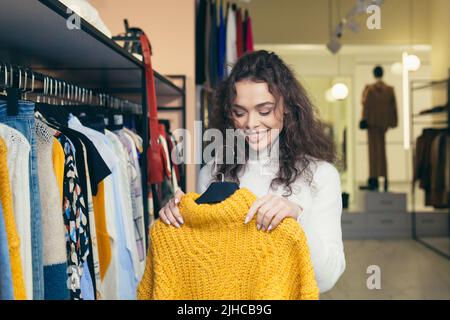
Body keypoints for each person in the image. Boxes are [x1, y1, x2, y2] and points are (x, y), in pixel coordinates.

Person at [159, 50, 346, 293]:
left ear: (286, 107)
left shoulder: (321, 176)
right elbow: (201, 264)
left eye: (264, 110)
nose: (250, 123)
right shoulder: (213, 173)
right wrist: (176, 217)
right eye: (239, 112)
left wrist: (297, 219)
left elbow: (327, 279)